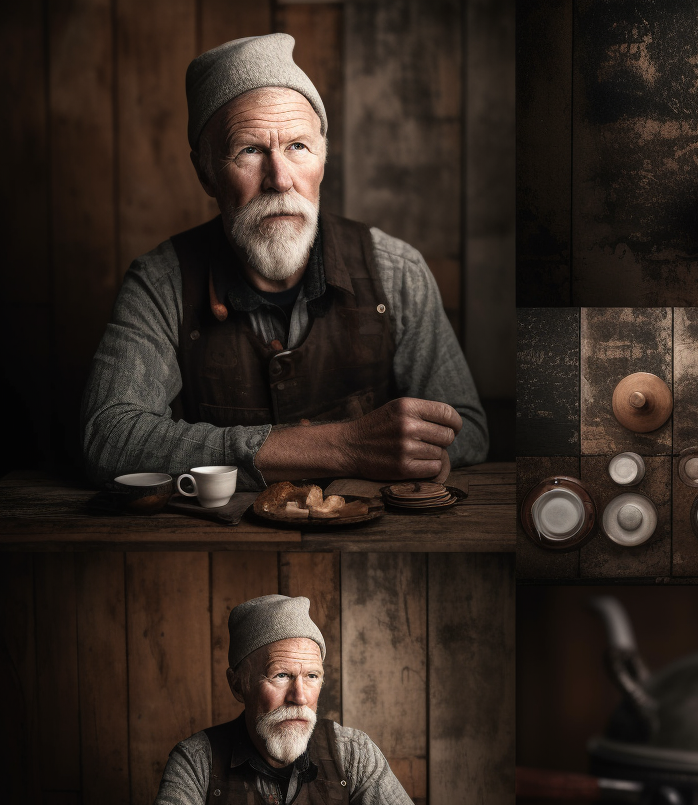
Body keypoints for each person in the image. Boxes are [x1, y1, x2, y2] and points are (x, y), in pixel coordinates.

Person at [82, 33, 487, 491]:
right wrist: (344, 447)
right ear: (206, 173)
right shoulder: (160, 283)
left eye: (298, 146)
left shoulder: (397, 270)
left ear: (323, 156)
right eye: (250, 150)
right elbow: (109, 438)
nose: (280, 179)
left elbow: (467, 427)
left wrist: (418, 450)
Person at [144, 594, 439, 805]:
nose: (299, 696)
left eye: (312, 676)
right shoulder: (196, 757)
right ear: (238, 685)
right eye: (281, 675)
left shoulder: (352, 750)